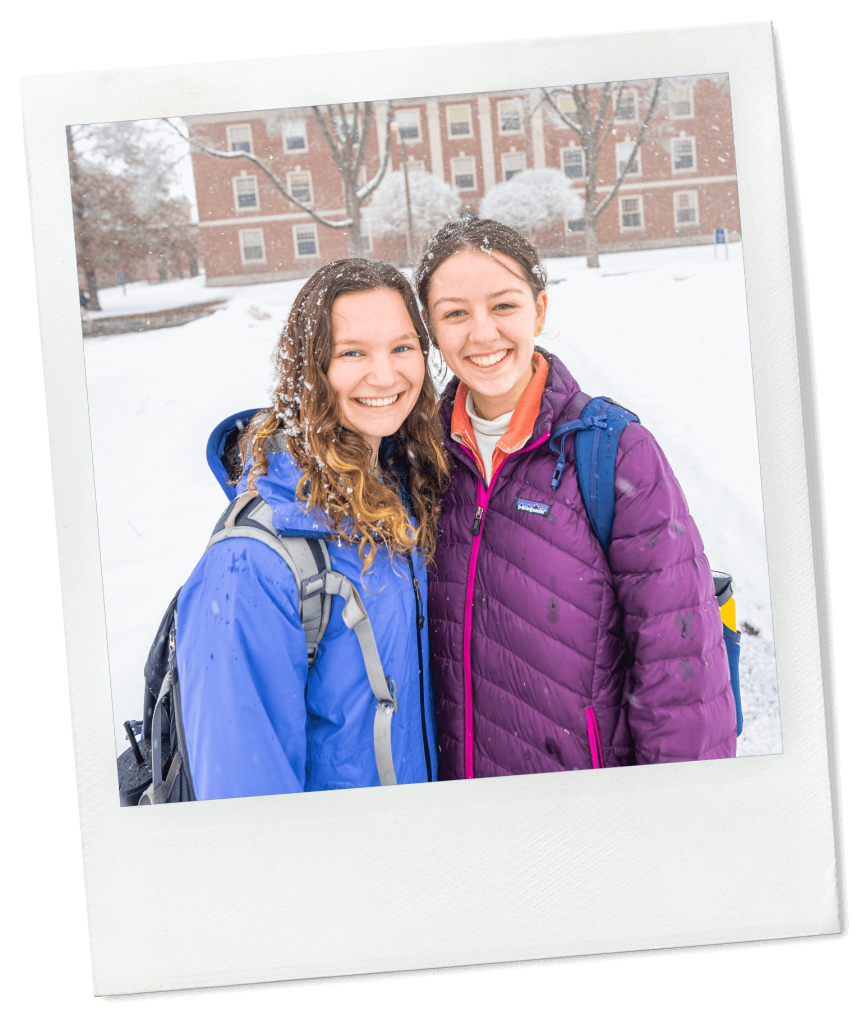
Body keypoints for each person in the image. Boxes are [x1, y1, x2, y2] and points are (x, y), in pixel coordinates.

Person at [414, 218, 737, 779]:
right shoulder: (418, 459)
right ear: (433, 330)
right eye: (456, 313)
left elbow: (680, 667)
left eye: (504, 305)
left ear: (539, 310)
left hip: (587, 817)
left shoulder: (612, 452)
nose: (483, 333)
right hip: (457, 820)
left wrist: (687, 814)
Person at [175, 258, 450, 798]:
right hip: (344, 871)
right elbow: (245, 813)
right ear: (309, 369)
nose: (385, 374)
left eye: (402, 347)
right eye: (352, 352)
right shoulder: (252, 563)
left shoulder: (402, 492)